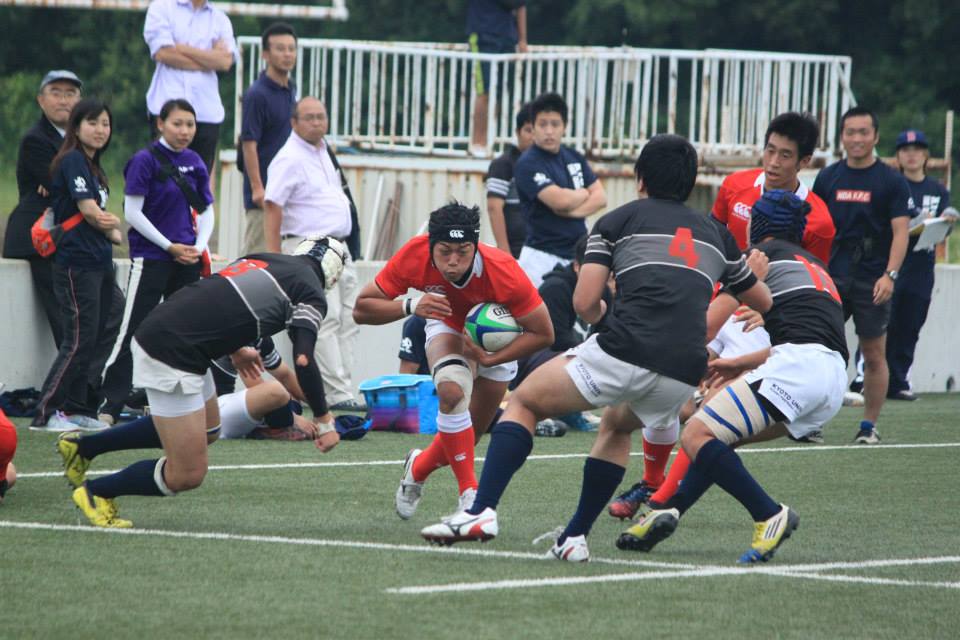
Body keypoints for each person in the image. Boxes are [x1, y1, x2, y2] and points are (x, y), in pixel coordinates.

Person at [419, 135, 771, 562]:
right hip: (684, 370)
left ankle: (480, 512)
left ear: (640, 180)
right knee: (617, 426)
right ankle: (573, 538)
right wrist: (746, 276)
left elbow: (584, 303)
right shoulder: (718, 235)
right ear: (691, 181)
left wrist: (604, 317)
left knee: (525, 403)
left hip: (628, 347)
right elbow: (762, 300)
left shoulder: (617, 221)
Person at [618, 190, 848, 564]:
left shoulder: (760, 257)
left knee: (696, 433)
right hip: (831, 379)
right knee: (719, 439)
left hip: (798, 368)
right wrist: (738, 363)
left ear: (757, 224)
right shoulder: (817, 266)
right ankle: (669, 509)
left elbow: (707, 324)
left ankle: (769, 513)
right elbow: (813, 339)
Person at [59, 236, 346, 528]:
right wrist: (324, 420)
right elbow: (303, 360)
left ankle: (84, 448)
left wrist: (237, 347)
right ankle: (97, 492)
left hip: (174, 335)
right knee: (188, 474)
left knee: (209, 429)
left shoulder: (265, 258)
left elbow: (218, 299)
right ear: (333, 276)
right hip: (173, 350)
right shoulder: (310, 291)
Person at [354, 202, 553, 518]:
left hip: (498, 343)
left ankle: (418, 467)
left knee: (466, 439)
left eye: (463, 251)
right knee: (451, 392)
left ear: (476, 246)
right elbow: (361, 309)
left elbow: (544, 334)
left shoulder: (503, 271)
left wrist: (490, 357)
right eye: (444, 251)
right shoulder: (415, 254)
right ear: (430, 246)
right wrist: (411, 305)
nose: (453, 261)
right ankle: (469, 496)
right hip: (446, 322)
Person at [98, 99, 215, 424]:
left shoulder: (194, 161)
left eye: (190, 124)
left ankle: (169, 402)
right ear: (161, 124)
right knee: (133, 329)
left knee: (181, 331)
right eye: (177, 123)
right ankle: (109, 404)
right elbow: (133, 213)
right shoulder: (144, 160)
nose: (184, 131)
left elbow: (206, 210)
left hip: (187, 260)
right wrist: (169, 246)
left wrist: (197, 247)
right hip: (151, 258)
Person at [813, 107, 912, 444]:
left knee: (873, 355)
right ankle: (811, 423)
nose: (857, 138)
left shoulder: (891, 181)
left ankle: (868, 427)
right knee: (819, 351)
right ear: (841, 136)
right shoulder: (827, 178)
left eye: (864, 132)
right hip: (830, 277)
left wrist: (890, 275)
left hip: (873, 280)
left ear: (876, 136)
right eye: (850, 132)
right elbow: (814, 227)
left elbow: (901, 232)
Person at [265, 97, 364, 411]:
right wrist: (275, 257)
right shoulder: (289, 157)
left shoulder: (323, 151)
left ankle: (344, 388)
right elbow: (272, 205)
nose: (317, 122)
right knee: (327, 318)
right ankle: (335, 394)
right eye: (309, 117)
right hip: (310, 247)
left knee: (350, 317)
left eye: (321, 116)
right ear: (294, 122)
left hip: (339, 247)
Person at [30, 99, 124, 433]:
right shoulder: (72, 160)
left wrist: (110, 227)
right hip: (77, 263)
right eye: (93, 123)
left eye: (105, 124)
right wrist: (112, 224)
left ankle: (78, 406)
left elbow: (104, 221)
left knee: (110, 322)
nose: (100, 130)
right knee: (80, 338)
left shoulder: (93, 166)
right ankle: (45, 412)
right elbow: (89, 211)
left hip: (100, 261)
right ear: (77, 127)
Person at [3, 70, 83, 348]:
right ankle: (70, 374)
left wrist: (68, 183)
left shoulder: (84, 139)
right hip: (38, 240)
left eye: (70, 94)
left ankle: (86, 372)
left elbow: (88, 187)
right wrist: (70, 184)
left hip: (70, 236)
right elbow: (69, 188)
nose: (64, 100)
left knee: (106, 305)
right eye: (56, 93)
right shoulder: (35, 139)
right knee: (66, 318)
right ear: (41, 100)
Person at [712, 111, 835, 264]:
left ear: (804, 161)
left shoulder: (820, 222)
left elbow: (813, 273)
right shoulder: (734, 185)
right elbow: (712, 237)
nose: (773, 162)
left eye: (785, 156)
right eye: (770, 151)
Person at [886, 129, 954, 401]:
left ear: (926, 155)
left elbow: (944, 229)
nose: (912, 155)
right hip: (893, 264)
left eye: (917, 150)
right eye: (905, 150)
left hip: (922, 267)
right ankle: (868, 378)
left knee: (911, 323)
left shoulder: (938, 189)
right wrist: (913, 223)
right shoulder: (893, 185)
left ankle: (899, 380)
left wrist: (948, 221)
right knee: (883, 323)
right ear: (898, 156)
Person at [514, 92, 607, 288]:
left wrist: (570, 211)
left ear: (564, 126)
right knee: (540, 307)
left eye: (555, 124)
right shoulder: (527, 162)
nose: (549, 131)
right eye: (542, 124)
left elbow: (600, 198)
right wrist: (583, 193)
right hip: (540, 257)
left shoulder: (574, 157)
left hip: (576, 256)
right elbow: (559, 201)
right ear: (533, 127)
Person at [143, 0, 238, 174]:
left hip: (206, 111)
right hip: (166, 106)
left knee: (198, 179)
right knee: (162, 178)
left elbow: (225, 62)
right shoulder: (161, 7)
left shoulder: (220, 19)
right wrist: (209, 58)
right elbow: (162, 53)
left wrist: (182, 48)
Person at [240, 22, 298, 255]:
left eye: (291, 49)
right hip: (264, 195)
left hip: (286, 192)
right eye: (280, 49)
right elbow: (248, 143)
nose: (287, 54)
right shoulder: (257, 94)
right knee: (257, 258)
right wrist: (257, 188)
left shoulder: (291, 89)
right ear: (265, 54)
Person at [467, 0, 527, 155]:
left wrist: (522, 40)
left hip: (506, 38)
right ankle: (478, 143)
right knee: (484, 91)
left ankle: (488, 139)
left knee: (497, 94)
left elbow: (521, 5)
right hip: (483, 36)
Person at [485, 104, 534, 257]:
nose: (533, 137)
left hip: (540, 249)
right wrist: (504, 251)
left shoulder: (548, 164)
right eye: (528, 130)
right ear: (518, 132)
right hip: (516, 250)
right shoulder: (504, 164)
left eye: (537, 131)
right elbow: (494, 208)